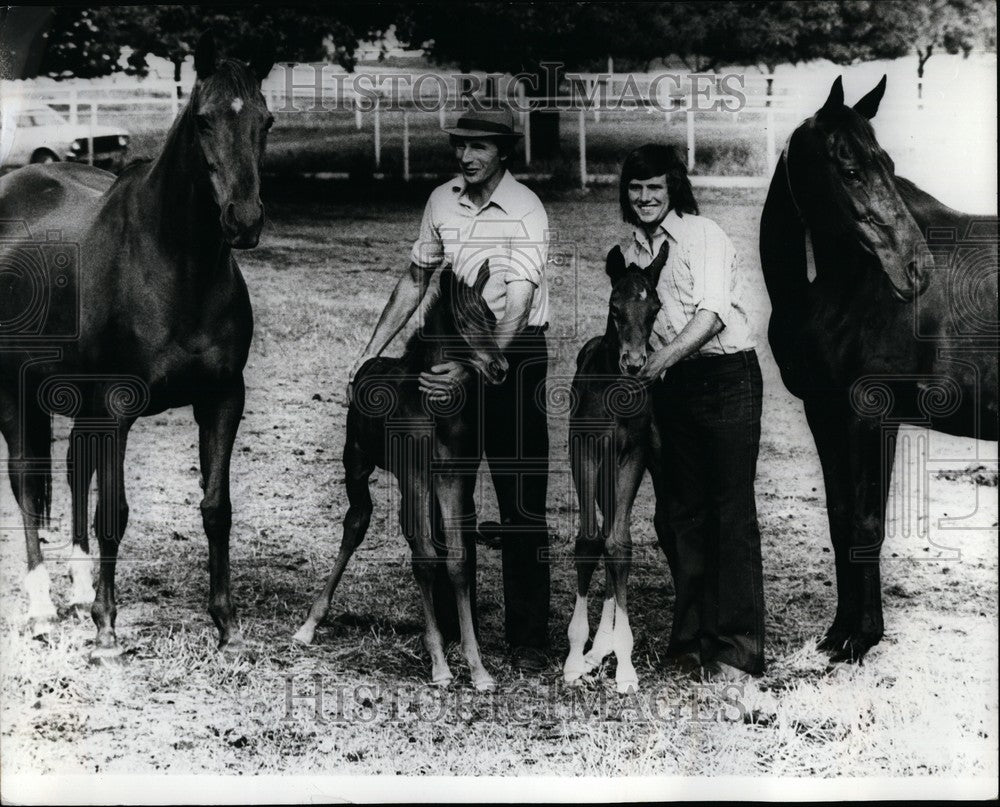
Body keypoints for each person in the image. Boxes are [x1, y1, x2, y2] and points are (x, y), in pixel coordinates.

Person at [346, 107, 552, 672]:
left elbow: (518, 300)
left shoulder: (526, 210)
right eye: (462, 145)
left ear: (504, 152)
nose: (468, 156)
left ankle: (529, 638)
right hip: (451, 361)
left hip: (513, 356)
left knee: (519, 499)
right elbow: (417, 277)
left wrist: (473, 365)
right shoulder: (442, 201)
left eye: (481, 147)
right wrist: (372, 350)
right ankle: (451, 630)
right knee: (438, 487)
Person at [620, 143, 765, 680]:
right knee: (680, 515)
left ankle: (738, 650)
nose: (644, 198)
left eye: (654, 187)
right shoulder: (632, 248)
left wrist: (659, 359)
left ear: (673, 187)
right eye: (635, 189)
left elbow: (710, 315)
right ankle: (690, 641)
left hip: (725, 380)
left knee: (730, 513)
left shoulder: (702, 236)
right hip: (671, 386)